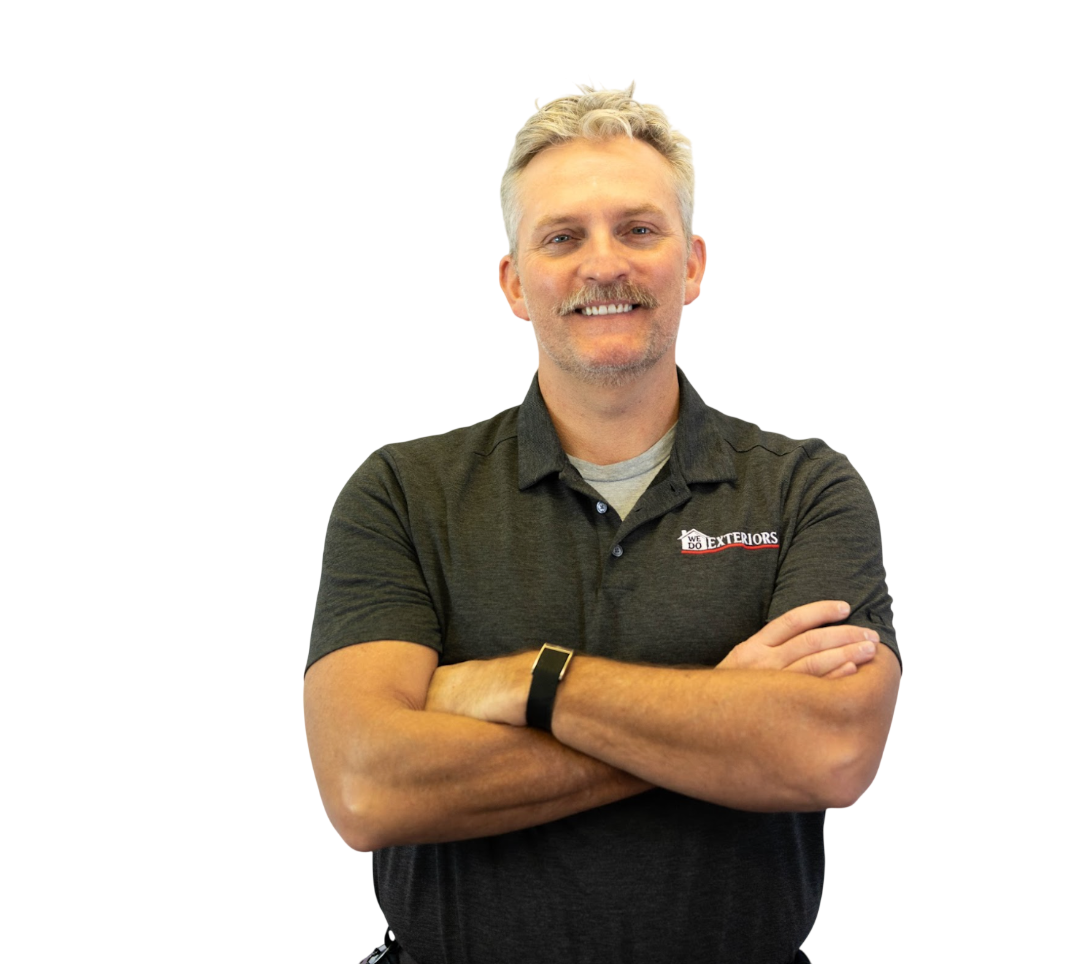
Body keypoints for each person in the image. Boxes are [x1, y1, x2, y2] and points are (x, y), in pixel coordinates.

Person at [304, 89, 902, 964]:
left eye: (638, 230)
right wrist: (724, 719)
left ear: (693, 266)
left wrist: (523, 685)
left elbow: (832, 752)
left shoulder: (808, 485)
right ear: (514, 281)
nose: (603, 264)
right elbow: (366, 785)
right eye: (562, 237)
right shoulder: (401, 491)